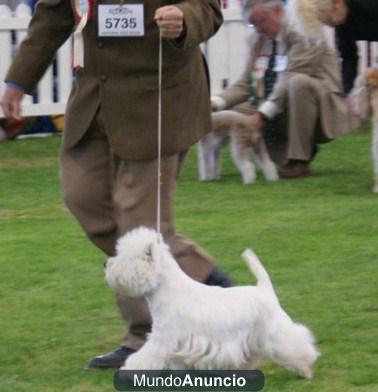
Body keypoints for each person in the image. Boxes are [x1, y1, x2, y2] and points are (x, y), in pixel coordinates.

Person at [1, 0, 231, 369]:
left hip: (159, 95)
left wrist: (184, 19)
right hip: (95, 101)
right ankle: (212, 286)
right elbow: (53, 14)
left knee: (139, 222)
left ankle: (146, 336)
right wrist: (18, 81)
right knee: (83, 198)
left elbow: (208, 6)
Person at [212, 0, 351, 178]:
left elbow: (292, 75)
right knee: (235, 112)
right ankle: (284, 152)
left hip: (319, 106)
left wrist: (262, 114)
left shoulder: (304, 29)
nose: (257, 30)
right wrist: (216, 103)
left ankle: (299, 161)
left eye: (260, 22)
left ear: (277, 11)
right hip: (277, 102)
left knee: (298, 83)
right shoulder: (258, 39)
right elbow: (247, 83)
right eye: (252, 24)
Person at [294, 0, 378, 94]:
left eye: (331, 20)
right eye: (327, 24)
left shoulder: (367, 4)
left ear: (338, 2)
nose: (331, 26)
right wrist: (348, 93)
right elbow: (348, 58)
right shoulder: (341, 24)